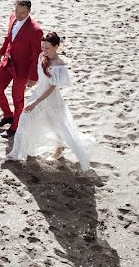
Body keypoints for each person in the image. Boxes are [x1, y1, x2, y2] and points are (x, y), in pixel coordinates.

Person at [6, 32, 92, 172]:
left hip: (50, 99)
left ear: (56, 47)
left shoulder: (59, 65)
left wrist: (35, 103)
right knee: (25, 120)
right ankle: (17, 152)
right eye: (42, 47)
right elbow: (40, 76)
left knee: (58, 126)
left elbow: (51, 89)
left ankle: (59, 149)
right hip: (37, 93)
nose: (44, 51)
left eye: (47, 48)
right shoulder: (41, 56)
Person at [0, 0, 43, 138]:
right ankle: (8, 115)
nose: (19, 15)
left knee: (17, 98)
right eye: (17, 11)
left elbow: (36, 55)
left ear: (29, 11)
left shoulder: (35, 30)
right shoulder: (12, 17)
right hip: (7, 62)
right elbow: (8, 38)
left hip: (22, 69)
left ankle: (16, 126)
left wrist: (33, 77)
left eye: (22, 13)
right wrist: (0, 53)